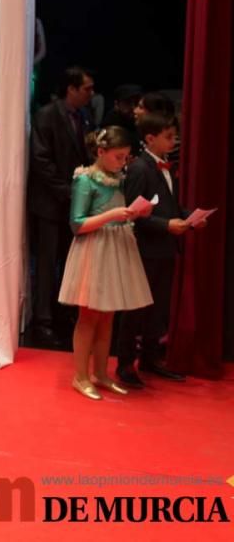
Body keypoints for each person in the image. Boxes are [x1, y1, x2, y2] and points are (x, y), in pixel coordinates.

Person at [58, 127, 153, 400]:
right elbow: (77, 224)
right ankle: (80, 375)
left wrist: (134, 213)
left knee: (108, 315)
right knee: (88, 316)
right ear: (101, 152)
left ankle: (100, 372)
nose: (122, 163)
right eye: (118, 157)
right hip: (93, 249)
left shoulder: (118, 178)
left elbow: (119, 215)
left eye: (125, 158)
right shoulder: (85, 180)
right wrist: (111, 215)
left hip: (115, 247)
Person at [117, 112, 192, 387]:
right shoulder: (139, 168)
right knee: (136, 308)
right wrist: (166, 225)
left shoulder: (164, 167)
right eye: (169, 136)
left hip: (164, 248)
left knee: (158, 308)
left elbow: (168, 207)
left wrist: (189, 217)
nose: (174, 141)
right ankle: (125, 364)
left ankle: (149, 358)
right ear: (150, 138)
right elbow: (133, 212)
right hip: (146, 249)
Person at [27, 66, 96, 348]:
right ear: (71, 89)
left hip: (73, 202)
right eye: (86, 89)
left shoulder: (84, 116)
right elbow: (41, 161)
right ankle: (43, 319)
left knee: (70, 262)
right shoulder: (46, 115)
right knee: (46, 263)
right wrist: (67, 192)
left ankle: (64, 312)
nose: (90, 94)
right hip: (50, 203)